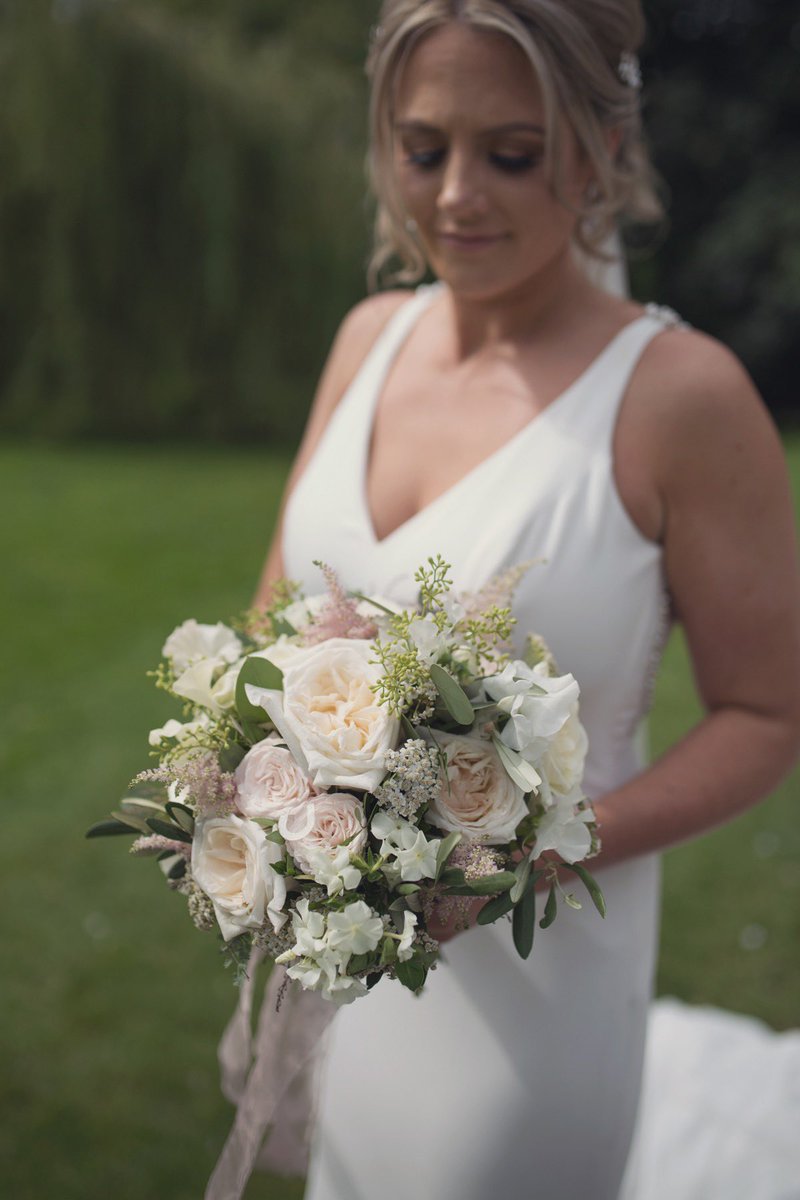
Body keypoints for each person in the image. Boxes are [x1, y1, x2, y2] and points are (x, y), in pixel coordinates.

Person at [252, 2, 800, 1197]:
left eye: (509, 152)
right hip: (346, 956)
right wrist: (245, 797)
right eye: (420, 147)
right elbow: (273, 627)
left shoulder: (682, 398)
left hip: (541, 975)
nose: (454, 194)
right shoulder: (364, 342)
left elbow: (767, 715)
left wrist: (536, 858)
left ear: (602, 147)